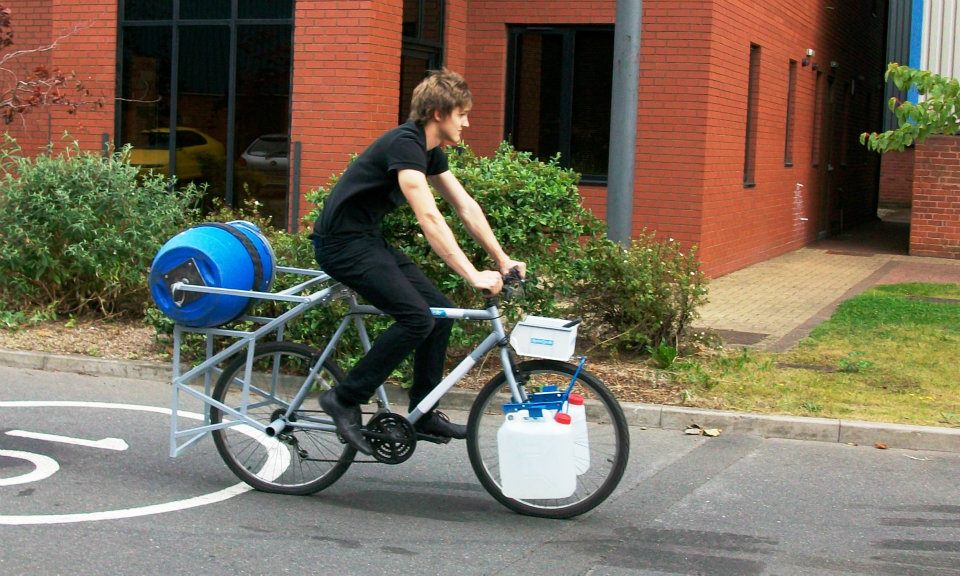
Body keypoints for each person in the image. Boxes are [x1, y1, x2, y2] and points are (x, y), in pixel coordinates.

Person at [309, 69, 526, 455]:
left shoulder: (428, 150)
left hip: (366, 240)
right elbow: (429, 217)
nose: (467, 122)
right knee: (417, 318)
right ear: (439, 113)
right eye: (462, 113)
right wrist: (472, 273)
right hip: (340, 245)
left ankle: (423, 410)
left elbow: (465, 206)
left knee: (440, 314)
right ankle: (343, 398)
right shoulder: (405, 145)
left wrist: (502, 257)